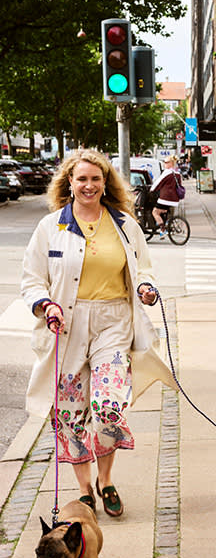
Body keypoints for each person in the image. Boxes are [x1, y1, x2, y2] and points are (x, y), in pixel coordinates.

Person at [21, 149, 177, 517]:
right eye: (82, 179)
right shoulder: (50, 227)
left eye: (96, 178)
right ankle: (84, 488)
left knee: (108, 409)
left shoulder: (125, 224)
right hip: (67, 327)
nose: (88, 185)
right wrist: (46, 305)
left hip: (114, 322)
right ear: (69, 183)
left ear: (105, 182)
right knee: (71, 415)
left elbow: (144, 269)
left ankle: (106, 480)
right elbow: (31, 280)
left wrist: (145, 287)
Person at [151, 155, 184, 238]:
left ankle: (163, 230)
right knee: (163, 210)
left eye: (166, 162)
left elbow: (157, 183)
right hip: (174, 199)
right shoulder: (178, 174)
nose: (164, 164)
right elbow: (179, 185)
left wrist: (151, 190)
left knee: (155, 212)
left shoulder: (167, 172)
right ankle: (165, 222)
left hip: (165, 198)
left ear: (171, 163)